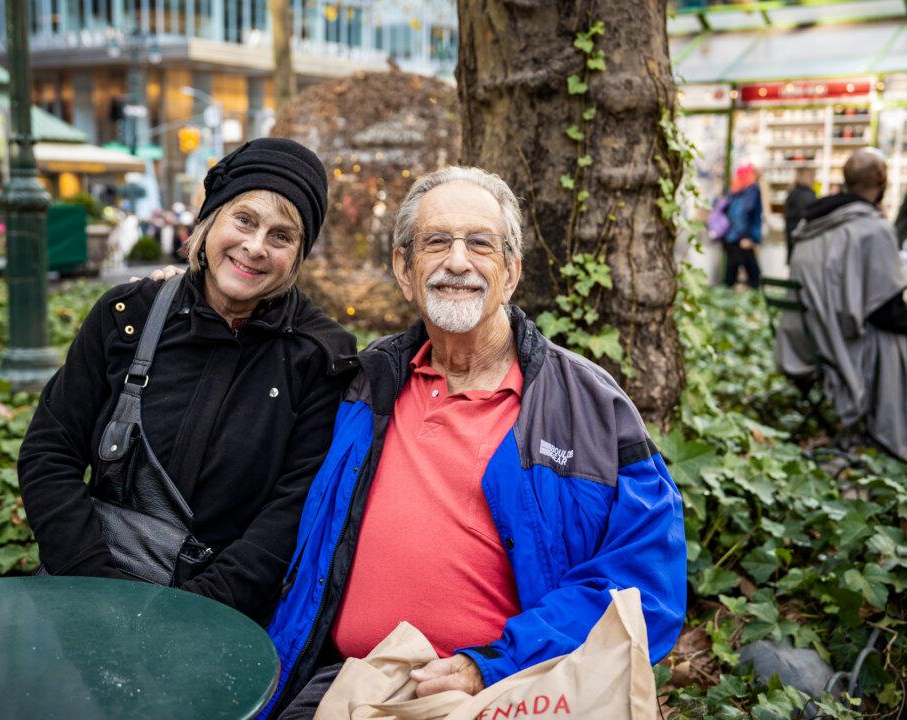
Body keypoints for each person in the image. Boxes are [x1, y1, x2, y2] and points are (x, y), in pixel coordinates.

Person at [263, 167, 688, 717]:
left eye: (480, 244)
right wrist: (184, 289)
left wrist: (491, 664)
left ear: (511, 272)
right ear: (404, 268)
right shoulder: (358, 386)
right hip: (349, 683)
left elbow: (646, 586)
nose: (457, 261)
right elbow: (249, 384)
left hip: (511, 690)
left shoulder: (590, 409)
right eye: (437, 242)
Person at [17, 138, 357, 622]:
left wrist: (195, 616)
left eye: (282, 236)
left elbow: (292, 511)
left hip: (224, 618)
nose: (255, 247)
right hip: (87, 591)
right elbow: (48, 453)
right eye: (244, 219)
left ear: (299, 254)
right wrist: (95, 584)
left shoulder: (320, 355)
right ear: (210, 218)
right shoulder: (126, 315)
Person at [775, 148, 907, 460]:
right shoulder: (871, 229)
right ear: (882, 184)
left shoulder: (811, 224)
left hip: (803, 342)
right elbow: (887, 313)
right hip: (839, 347)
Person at [723, 163, 763, 289]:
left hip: (730, 236)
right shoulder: (752, 189)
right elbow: (747, 212)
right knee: (753, 273)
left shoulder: (735, 189)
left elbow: (729, 212)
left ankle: (726, 298)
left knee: (732, 270)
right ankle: (755, 300)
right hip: (742, 237)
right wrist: (747, 236)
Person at [784, 166, 817, 260]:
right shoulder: (807, 195)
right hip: (802, 240)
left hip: (792, 236)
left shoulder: (793, 192)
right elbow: (808, 218)